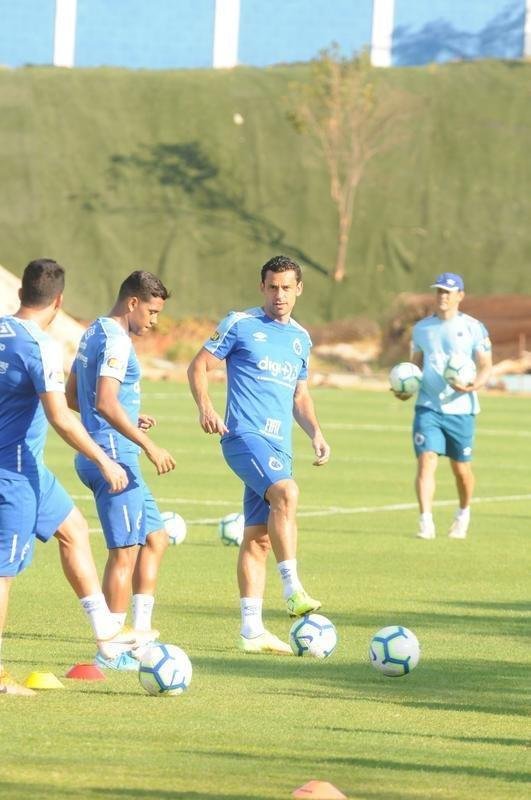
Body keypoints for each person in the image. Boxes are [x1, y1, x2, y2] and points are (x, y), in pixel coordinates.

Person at [0, 258, 145, 696]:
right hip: (13, 473)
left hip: (30, 468)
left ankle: (106, 632)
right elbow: (60, 416)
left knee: (73, 528)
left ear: (22, 292)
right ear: (59, 301)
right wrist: (104, 459)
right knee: (3, 573)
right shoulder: (39, 345)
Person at [187, 255, 330, 655]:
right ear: (261, 287)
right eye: (272, 286)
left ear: (299, 289)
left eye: (286, 287)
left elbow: (299, 394)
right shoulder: (240, 323)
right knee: (286, 493)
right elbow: (198, 367)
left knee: (258, 539)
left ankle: (251, 630)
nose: (279, 294)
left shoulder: (301, 338)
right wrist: (206, 407)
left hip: (279, 446)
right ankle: (293, 589)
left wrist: (316, 432)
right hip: (242, 437)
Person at [66, 270, 176, 670]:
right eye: (151, 311)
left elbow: (75, 397)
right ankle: (110, 649)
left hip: (110, 446)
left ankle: (138, 635)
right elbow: (107, 403)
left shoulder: (92, 331)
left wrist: (130, 417)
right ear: (132, 302)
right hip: (114, 458)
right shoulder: (117, 341)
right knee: (124, 553)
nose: (154, 320)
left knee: (156, 538)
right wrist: (148, 444)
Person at [393, 272, 492, 540]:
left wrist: (473, 386)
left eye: (448, 292)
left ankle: (463, 513)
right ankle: (426, 521)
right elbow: (415, 366)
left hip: (461, 410)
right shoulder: (422, 329)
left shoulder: (474, 328)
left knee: (461, 470)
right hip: (428, 407)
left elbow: (485, 365)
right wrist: (405, 388)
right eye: (439, 291)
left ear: (460, 295)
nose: (443, 296)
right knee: (426, 461)